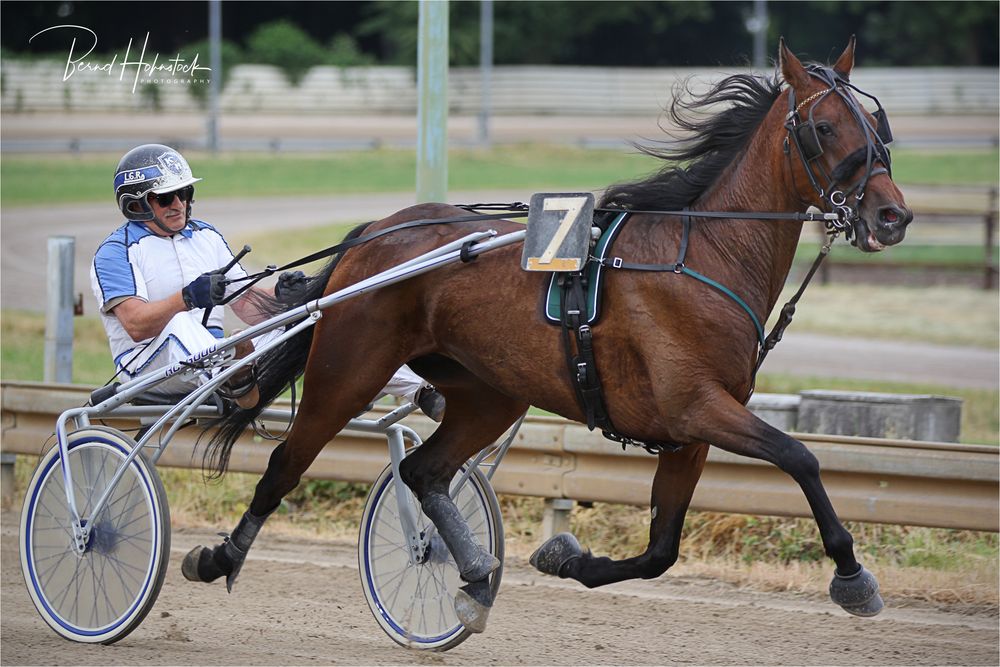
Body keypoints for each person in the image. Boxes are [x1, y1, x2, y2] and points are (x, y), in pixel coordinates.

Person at [90, 143, 445, 419]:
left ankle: (421, 390)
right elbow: (136, 325)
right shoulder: (115, 252)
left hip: (220, 362)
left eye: (185, 193)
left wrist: (288, 298)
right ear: (137, 204)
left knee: (316, 323)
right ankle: (232, 375)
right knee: (181, 322)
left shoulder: (206, 237)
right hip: (149, 368)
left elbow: (245, 303)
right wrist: (187, 298)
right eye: (167, 197)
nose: (179, 204)